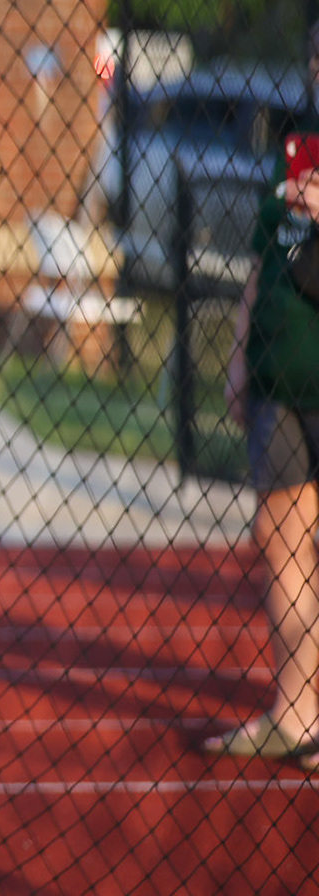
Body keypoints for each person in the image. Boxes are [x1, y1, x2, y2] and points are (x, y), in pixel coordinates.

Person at [206, 108, 319, 767]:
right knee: (282, 539)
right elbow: (264, 260)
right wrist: (242, 355)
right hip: (280, 375)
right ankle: (297, 711)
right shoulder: (296, 150)